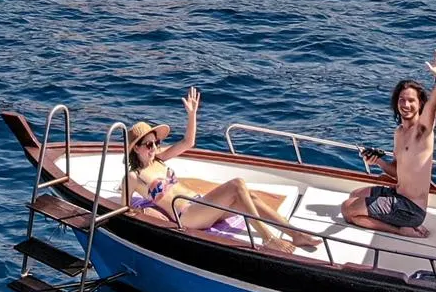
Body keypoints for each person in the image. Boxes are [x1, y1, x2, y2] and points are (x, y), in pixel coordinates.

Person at [124, 86, 320, 254]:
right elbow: (123, 207)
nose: (154, 148)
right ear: (137, 148)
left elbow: (188, 142)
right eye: (149, 145)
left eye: (156, 142)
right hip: (187, 215)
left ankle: (295, 234)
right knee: (236, 185)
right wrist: (145, 210)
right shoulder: (134, 176)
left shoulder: (160, 158)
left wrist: (192, 115)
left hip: (200, 204)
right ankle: (267, 238)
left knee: (249, 196)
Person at [340, 48, 436, 238]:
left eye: (411, 101)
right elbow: (398, 172)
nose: (405, 105)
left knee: (348, 210)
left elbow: (433, 104)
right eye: (402, 100)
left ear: (420, 104)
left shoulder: (422, 132)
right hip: (397, 194)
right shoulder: (399, 133)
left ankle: (401, 229)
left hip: (410, 209)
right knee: (354, 195)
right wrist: (378, 162)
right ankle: (387, 219)